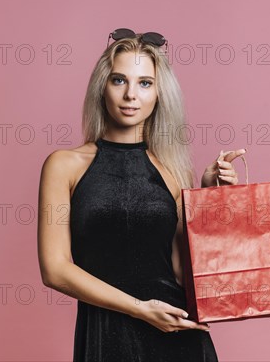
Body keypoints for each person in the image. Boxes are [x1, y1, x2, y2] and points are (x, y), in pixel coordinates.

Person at [37, 28, 247, 361]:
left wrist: (207, 199)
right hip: (107, 336)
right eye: (119, 80)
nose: (131, 95)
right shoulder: (64, 166)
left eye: (145, 83)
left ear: (160, 93)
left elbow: (183, 272)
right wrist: (140, 309)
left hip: (177, 335)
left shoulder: (172, 171)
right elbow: (55, 269)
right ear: (102, 87)